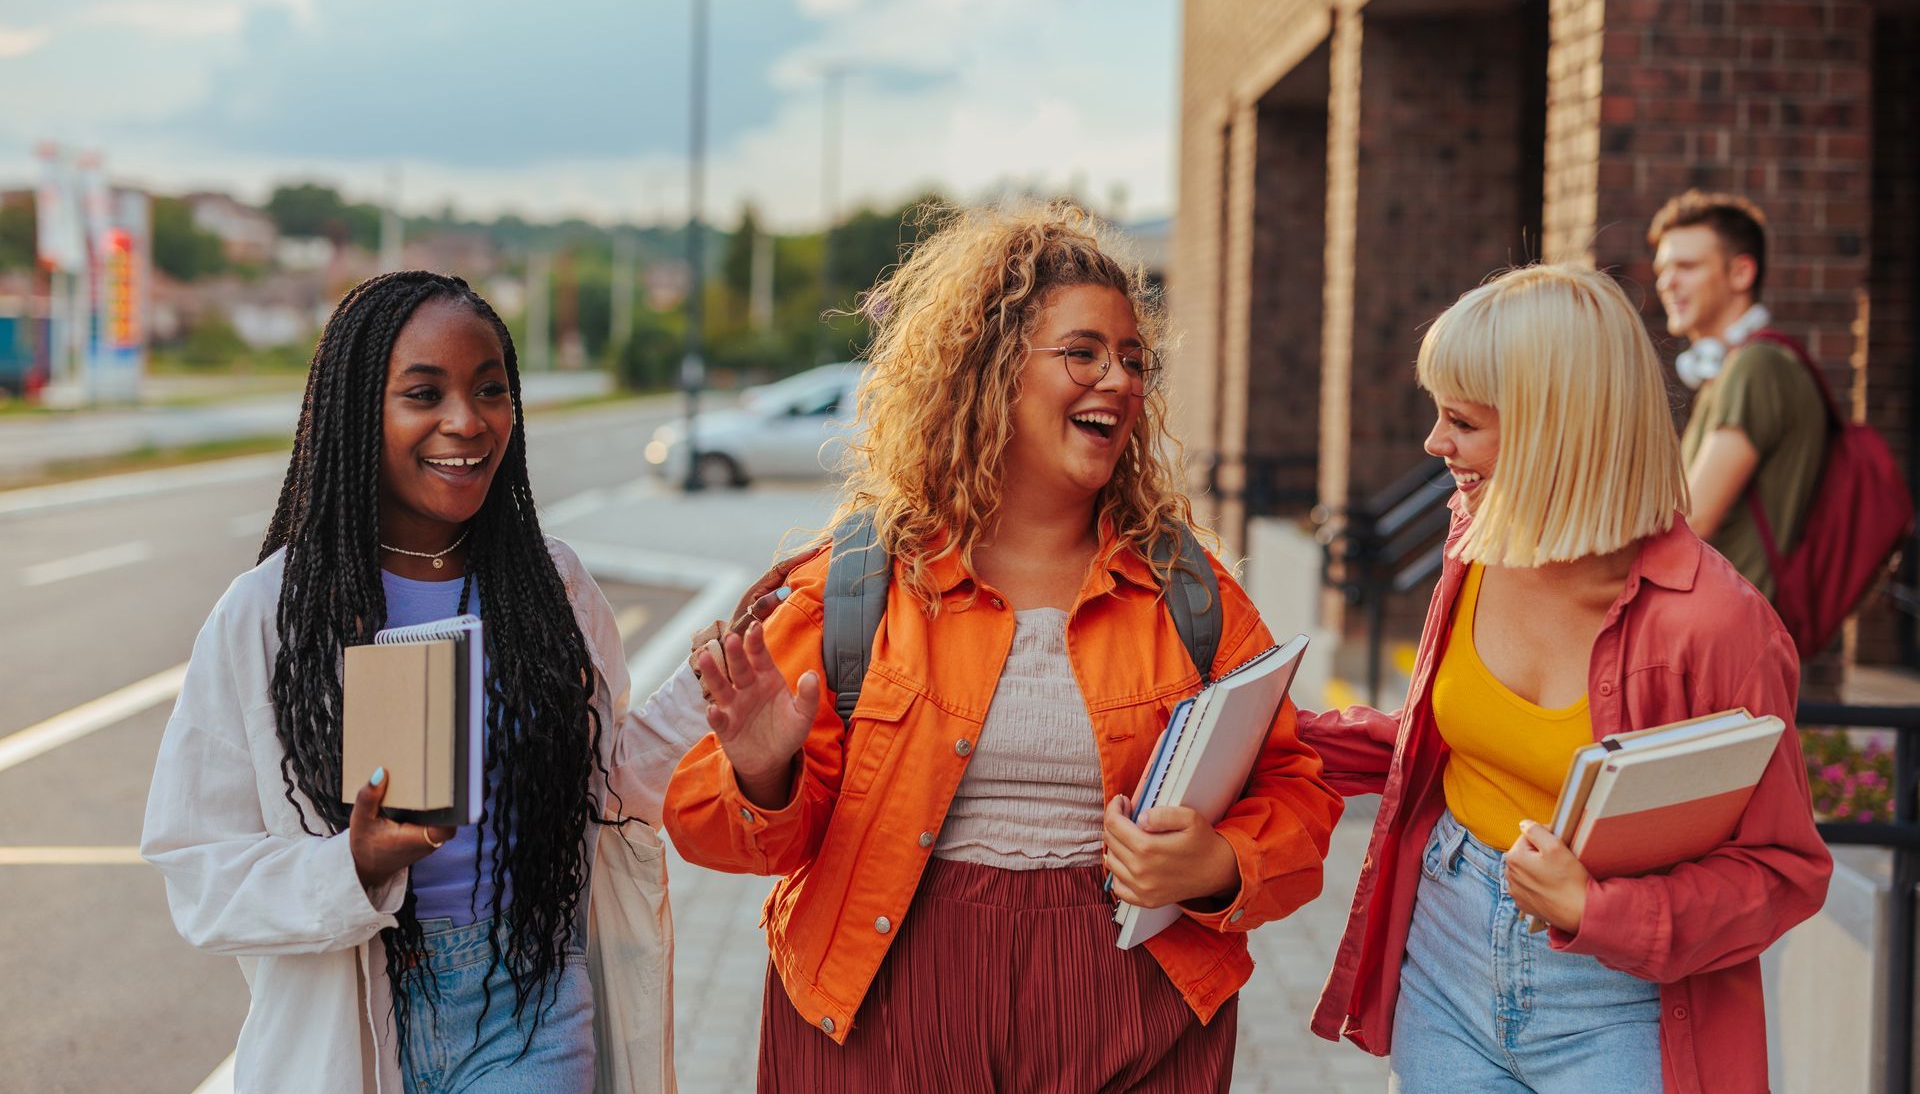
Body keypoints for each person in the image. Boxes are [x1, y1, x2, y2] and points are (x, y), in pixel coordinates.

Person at [663, 202, 1341, 1093]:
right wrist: (761, 777)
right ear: (989, 370)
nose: (1119, 380)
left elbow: (1299, 794)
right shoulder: (861, 583)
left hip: (1129, 1013)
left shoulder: (1191, 592)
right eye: (1083, 351)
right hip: (884, 1012)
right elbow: (709, 825)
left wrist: (1219, 865)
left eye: (1134, 358)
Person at [141, 271, 706, 1094]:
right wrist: (353, 867)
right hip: (354, 1009)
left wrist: (709, 691)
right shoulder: (270, 613)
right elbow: (194, 863)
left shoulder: (552, 587)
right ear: (358, 410)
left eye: (490, 389)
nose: (467, 421)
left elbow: (607, 779)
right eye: (423, 392)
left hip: (529, 1000)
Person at [1300, 264, 1830, 1093]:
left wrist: (1597, 911)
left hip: (1622, 1001)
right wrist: (1278, 734)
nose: (1435, 444)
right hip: (1445, 949)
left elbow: (1782, 871)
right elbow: (1441, 741)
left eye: (1462, 422)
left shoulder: (1719, 626)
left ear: (1556, 434)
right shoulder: (1474, 538)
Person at [1649, 189, 1826, 601]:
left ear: (1741, 273)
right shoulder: (1729, 367)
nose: (1666, 282)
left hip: (1738, 630)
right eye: (1663, 268)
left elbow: (1692, 520)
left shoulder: (1756, 366)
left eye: (1687, 266)